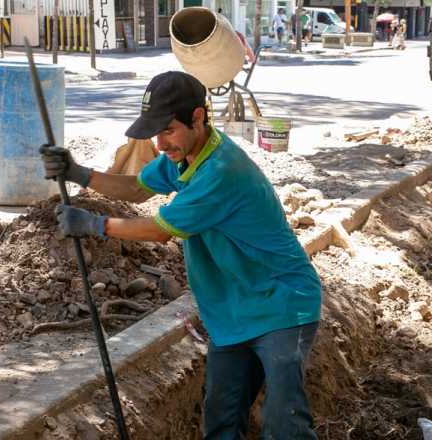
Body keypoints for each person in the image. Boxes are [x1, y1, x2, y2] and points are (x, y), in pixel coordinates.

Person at [41, 71, 322, 439]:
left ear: (198, 118)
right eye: (156, 133)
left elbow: (159, 229)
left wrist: (97, 225)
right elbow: (139, 189)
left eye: (168, 130)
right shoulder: (185, 155)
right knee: (221, 418)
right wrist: (80, 173)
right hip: (233, 310)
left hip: (282, 305)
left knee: (284, 423)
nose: (160, 144)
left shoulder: (221, 172)